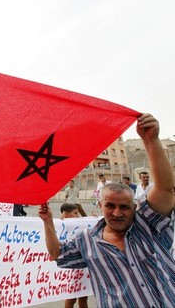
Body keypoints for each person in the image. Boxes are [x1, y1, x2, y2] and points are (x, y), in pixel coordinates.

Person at [39, 113, 175, 307]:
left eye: (124, 207)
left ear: (135, 206)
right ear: (100, 205)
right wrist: (47, 221)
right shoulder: (86, 240)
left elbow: (164, 188)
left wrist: (151, 139)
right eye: (110, 206)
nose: (117, 213)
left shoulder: (150, 224)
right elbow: (56, 254)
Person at [59, 203, 88, 308]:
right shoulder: (60, 225)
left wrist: (90, 218)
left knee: (84, 296)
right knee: (71, 297)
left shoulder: (78, 223)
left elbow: (87, 224)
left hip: (82, 265)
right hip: (72, 268)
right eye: (75, 213)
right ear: (66, 214)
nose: (77, 216)